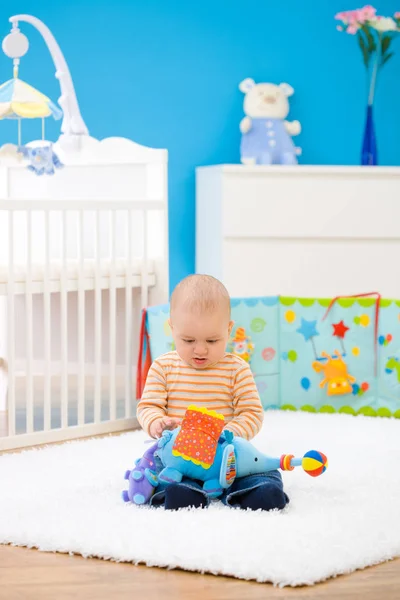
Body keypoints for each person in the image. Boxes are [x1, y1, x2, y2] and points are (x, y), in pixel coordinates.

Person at [137, 274, 289, 511]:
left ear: (228, 329)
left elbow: (251, 413)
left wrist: (229, 434)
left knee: (261, 470)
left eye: (212, 340)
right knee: (160, 474)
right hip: (180, 458)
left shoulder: (236, 369)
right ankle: (184, 494)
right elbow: (148, 406)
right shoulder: (163, 367)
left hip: (226, 458)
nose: (200, 349)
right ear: (172, 328)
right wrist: (157, 422)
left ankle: (257, 491)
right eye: (188, 340)